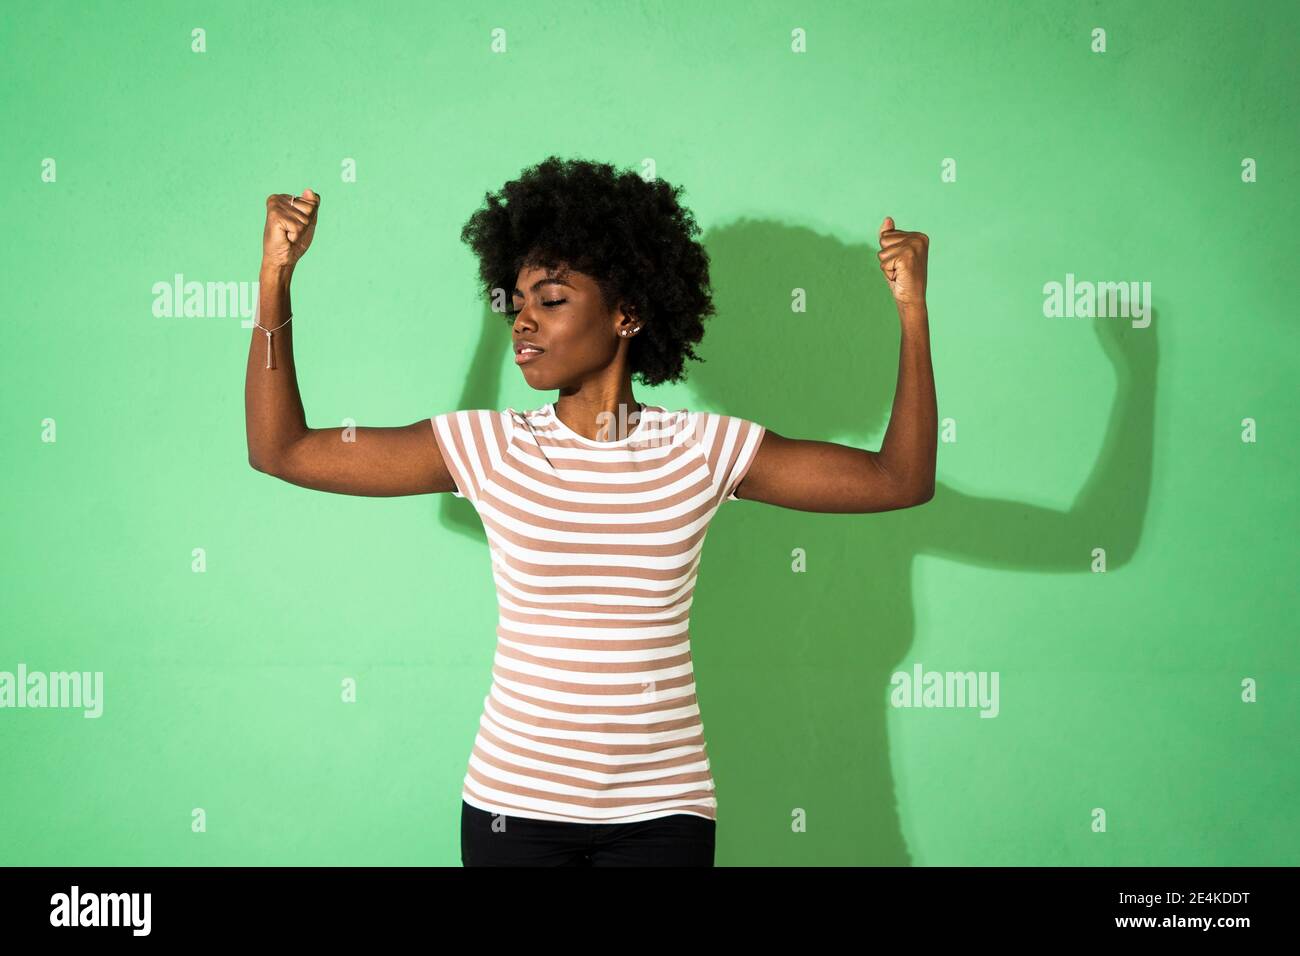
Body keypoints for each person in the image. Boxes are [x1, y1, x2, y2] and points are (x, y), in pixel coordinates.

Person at [245, 156, 936, 866]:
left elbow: (899, 478)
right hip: (514, 810)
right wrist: (275, 276)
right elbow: (283, 449)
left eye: (550, 300)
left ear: (627, 312)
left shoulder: (701, 449)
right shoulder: (488, 448)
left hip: (664, 812)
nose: (522, 322)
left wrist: (912, 311)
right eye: (515, 303)